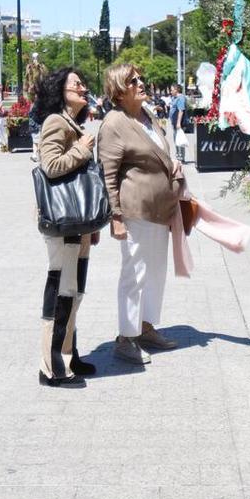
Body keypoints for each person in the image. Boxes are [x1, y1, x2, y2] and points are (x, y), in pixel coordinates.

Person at [97, 64, 184, 365]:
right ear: (119, 92)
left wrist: (174, 165)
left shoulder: (149, 115)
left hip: (160, 209)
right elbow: (108, 174)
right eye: (133, 81)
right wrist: (115, 217)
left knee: (156, 272)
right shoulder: (114, 123)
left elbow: (162, 153)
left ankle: (145, 327)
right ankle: (126, 337)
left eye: (140, 78)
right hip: (134, 211)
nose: (141, 83)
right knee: (134, 274)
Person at [31, 68, 99, 388]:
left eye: (84, 84)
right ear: (61, 90)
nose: (83, 88)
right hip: (62, 223)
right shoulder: (55, 122)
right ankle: (52, 367)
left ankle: (68, 353)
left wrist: (92, 224)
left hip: (77, 222)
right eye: (77, 84)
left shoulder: (72, 123)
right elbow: (51, 165)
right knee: (61, 290)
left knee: (74, 291)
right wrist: (83, 148)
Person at [168, 83, 188, 162]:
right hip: (175, 123)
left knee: (180, 140)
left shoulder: (181, 98)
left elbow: (181, 111)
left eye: (172, 90)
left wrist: (178, 123)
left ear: (176, 90)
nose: (170, 91)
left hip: (179, 124)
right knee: (176, 140)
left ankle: (181, 158)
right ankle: (178, 156)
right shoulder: (175, 98)